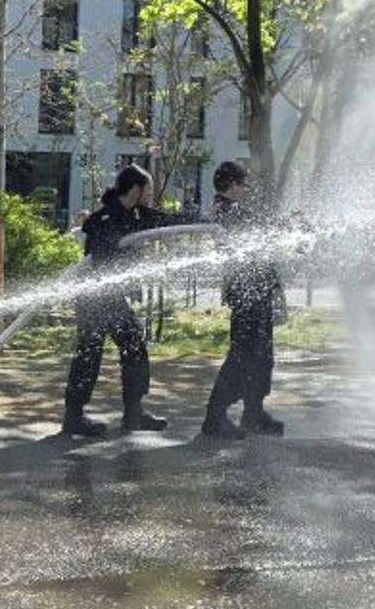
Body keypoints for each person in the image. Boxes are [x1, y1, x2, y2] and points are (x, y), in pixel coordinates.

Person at [62, 164, 192, 437]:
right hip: (93, 297)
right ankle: (75, 417)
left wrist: (205, 219)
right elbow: (99, 252)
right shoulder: (105, 218)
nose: (151, 194)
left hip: (110, 297)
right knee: (90, 354)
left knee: (133, 347)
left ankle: (133, 413)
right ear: (135, 189)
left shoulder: (136, 215)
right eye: (148, 189)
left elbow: (168, 221)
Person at [201, 161, 286, 439]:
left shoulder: (236, 212)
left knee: (262, 354)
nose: (248, 189)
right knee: (243, 354)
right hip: (246, 294)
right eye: (245, 183)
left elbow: (263, 250)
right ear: (234, 184)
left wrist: (274, 288)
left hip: (257, 292)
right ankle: (215, 416)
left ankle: (254, 412)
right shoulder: (225, 212)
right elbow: (258, 246)